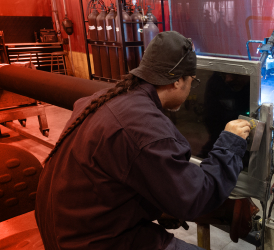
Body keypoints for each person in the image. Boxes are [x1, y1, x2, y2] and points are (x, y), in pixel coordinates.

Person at [35, 31, 251, 249]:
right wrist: (230, 144)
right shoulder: (143, 127)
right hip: (97, 241)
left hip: (69, 231)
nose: (189, 90)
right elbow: (195, 198)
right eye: (191, 83)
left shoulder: (107, 98)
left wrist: (152, 205)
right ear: (177, 81)